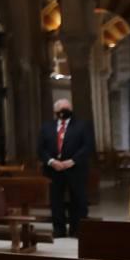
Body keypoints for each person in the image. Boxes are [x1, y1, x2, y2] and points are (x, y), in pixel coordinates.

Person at [39, 98, 94, 238]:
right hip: (54, 169)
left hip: (75, 169)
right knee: (56, 201)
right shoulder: (46, 127)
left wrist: (72, 161)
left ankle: (77, 229)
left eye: (67, 109)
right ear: (55, 112)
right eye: (61, 110)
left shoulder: (82, 125)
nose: (64, 112)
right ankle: (59, 229)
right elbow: (41, 149)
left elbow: (88, 146)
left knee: (78, 200)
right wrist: (51, 161)